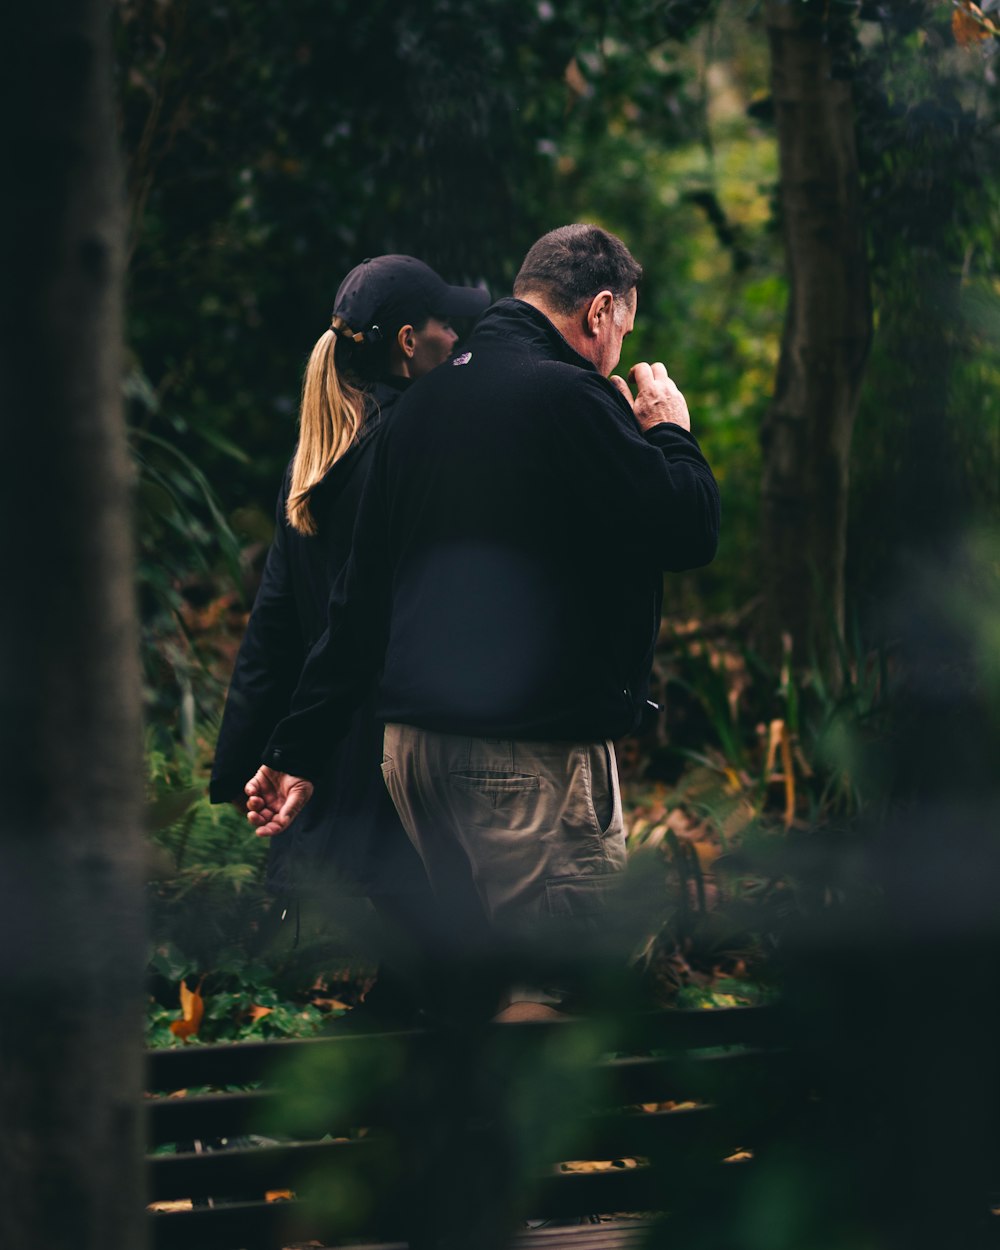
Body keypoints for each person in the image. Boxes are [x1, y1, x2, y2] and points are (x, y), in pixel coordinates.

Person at [243, 224, 721, 1020]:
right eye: (624, 328)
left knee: (471, 985)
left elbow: (358, 605)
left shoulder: (420, 404)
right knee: (559, 986)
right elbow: (687, 530)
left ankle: (440, 1135)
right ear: (600, 311)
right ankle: (513, 1144)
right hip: (523, 755)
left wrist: (296, 748)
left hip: (416, 756)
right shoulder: (569, 397)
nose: (619, 347)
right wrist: (669, 429)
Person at [209, 254, 490, 1024]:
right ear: (409, 341)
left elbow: (273, 630)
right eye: (445, 324)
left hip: (337, 765)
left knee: (424, 972)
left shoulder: (314, 464)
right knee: (450, 973)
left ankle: (382, 1110)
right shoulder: (414, 449)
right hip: (409, 768)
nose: (457, 334)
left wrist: (243, 766)